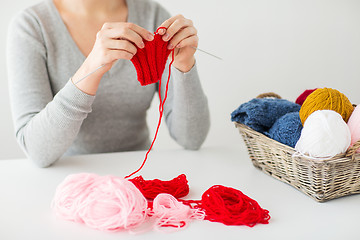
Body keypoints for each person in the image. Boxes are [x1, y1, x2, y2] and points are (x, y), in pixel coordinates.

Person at [7, 0, 210, 167]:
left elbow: (192, 138)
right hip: (67, 181)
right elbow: (37, 151)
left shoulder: (153, 16)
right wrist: (90, 69)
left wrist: (184, 65)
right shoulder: (32, 26)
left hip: (141, 177)